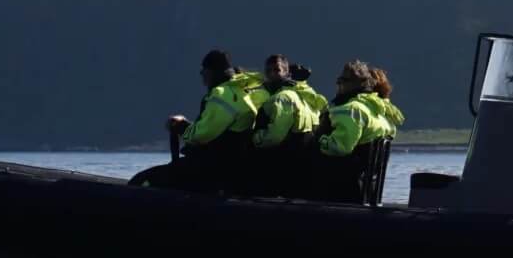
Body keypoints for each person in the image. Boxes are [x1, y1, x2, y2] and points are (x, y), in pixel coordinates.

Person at [130, 48, 264, 192]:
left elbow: (201, 135)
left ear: (213, 72)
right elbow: (215, 128)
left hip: (210, 170)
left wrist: (179, 125)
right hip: (229, 168)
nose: (201, 73)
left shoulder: (222, 95)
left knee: (140, 180)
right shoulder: (241, 91)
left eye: (204, 69)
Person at [315, 61, 404, 201]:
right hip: (368, 189)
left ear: (360, 83)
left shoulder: (351, 109)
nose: (338, 84)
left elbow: (339, 148)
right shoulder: (380, 108)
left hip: (345, 186)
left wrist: (319, 137)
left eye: (342, 80)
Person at [250, 54, 328, 194]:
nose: (272, 74)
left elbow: (274, 137)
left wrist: (255, 138)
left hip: (284, 165)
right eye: (268, 71)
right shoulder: (304, 95)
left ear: (287, 73)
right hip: (303, 165)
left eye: (277, 70)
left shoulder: (283, 98)